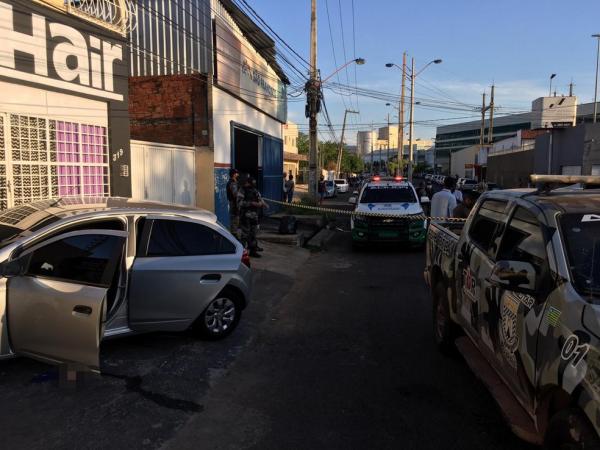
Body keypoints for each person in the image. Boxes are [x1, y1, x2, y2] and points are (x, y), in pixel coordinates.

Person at [237, 175, 268, 257]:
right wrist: (252, 203)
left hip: (254, 216)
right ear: (247, 182)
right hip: (245, 216)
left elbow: (260, 198)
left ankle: (253, 251)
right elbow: (239, 203)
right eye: (251, 183)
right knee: (244, 235)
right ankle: (241, 253)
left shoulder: (254, 190)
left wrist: (264, 204)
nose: (252, 185)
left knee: (253, 234)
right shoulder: (242, 190)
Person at [226, 168, 240, 237]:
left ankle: (234, 233)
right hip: (234, 204)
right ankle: (234, 235)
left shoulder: (234, 182)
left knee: (236, 219)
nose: (238, 174)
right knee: (235, 219)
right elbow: (235, 194)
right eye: (236, 173)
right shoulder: (232, 183)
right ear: (234, 174)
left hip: (235, 203)